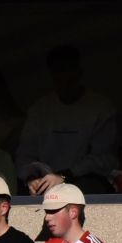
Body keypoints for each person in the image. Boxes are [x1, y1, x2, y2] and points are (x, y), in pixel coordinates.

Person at [18, 45, 116, 193]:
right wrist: (31, 179)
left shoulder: (100, 107)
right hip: (46, 185)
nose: (64, 77)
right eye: (59, 71)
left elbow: (103, 159)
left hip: (86, 184)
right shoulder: (39, 109)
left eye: (68, 70)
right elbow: (25, 154)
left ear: (79, 72)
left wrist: (64, 176)